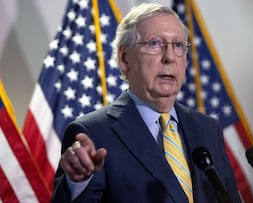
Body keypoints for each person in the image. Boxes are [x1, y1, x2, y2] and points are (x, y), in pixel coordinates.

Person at [51, 3, 241, 203]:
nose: (169, 57)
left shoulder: (208, 129)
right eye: (155, 44)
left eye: (178, 46)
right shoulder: (93, 133)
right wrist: (78, 183)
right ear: (124, 58)